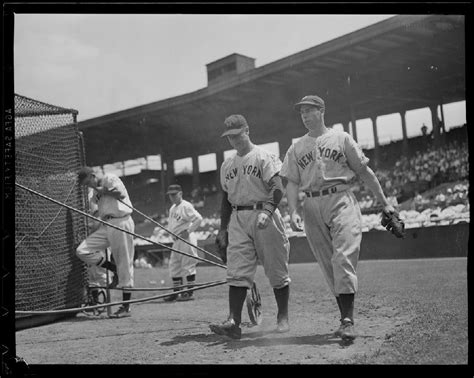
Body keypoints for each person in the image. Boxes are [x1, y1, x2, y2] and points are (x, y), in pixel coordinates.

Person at [280, 95, 396, 342]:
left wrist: (384, 202)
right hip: (311, 203)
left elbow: (364, 171)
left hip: (341, 197)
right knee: (327, 262)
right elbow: (290, 182)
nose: (305, 116)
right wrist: (292, 211)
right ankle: (345, 317)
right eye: (302, 113)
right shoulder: (296, 147)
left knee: (342, 256)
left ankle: (347, 321)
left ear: (322, 111)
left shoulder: (341, 138)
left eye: (310, 111)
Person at [209, 114, 291, 340]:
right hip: (238, 217)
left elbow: (278, 186)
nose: (233, 140)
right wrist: (223, 228)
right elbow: (225, 199)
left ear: (247, 130)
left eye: (237, 135)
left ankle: (282, 316)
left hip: (264, 213)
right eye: (229, 137)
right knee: (237, 270)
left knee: (276, 267)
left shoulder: (264, 156)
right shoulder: (227, 165)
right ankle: (233, 322)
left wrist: (267, 211)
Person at [76, 166, 135, 318]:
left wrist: (103, 190)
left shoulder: (109, 178)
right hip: (106, 224)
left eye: (87, 181)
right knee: (82, 251)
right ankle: (112, 267)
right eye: (84, 184)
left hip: (120, 221)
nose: (87, 186)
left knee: (124, 263)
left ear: (93, 175)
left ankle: (126, 307)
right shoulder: (94, 192)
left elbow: (120, 193)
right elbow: (95, 207)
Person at [163, 184, 203, 302]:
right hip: (177, 240)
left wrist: (189, 231)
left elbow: (198, 218)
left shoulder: (186, 206)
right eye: (170, 195)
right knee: (174, 266)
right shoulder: (172, 208)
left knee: (188, 265)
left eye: (174, 194)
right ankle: (177, 292)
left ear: (180, 193)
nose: (172, 197)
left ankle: (189, 293)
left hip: (186, 239)